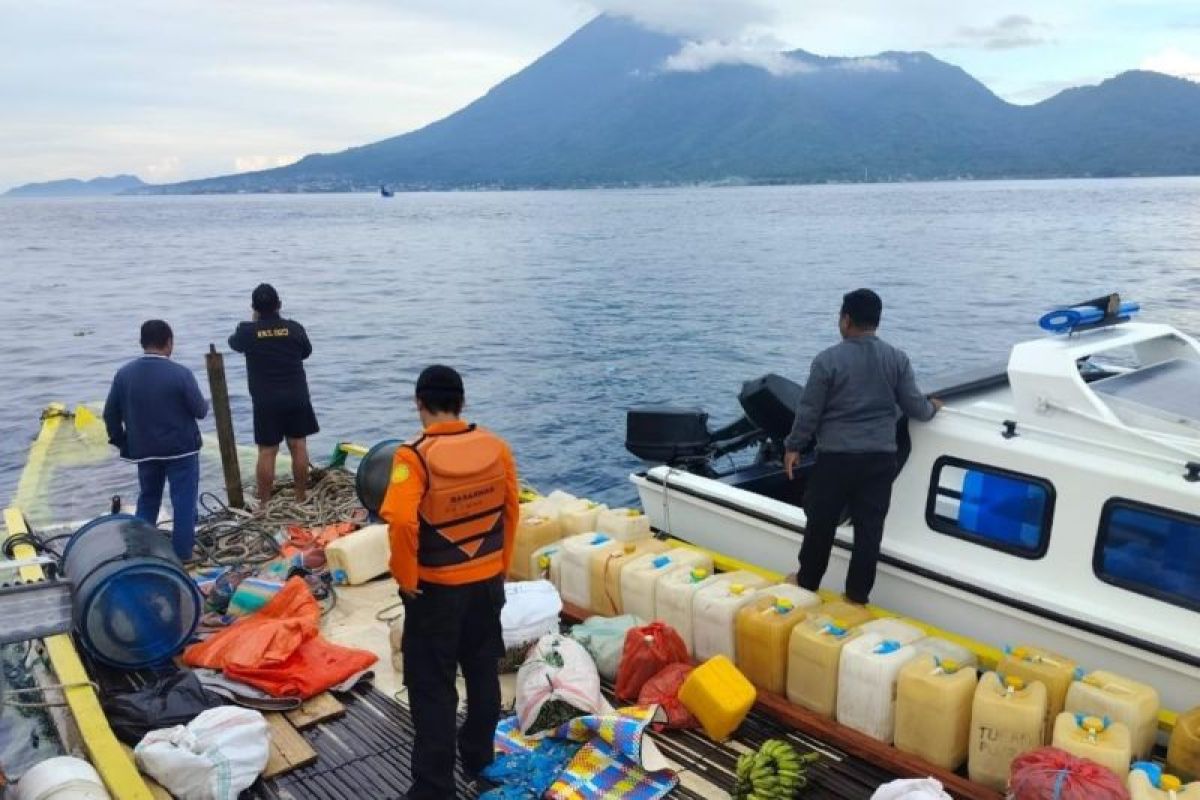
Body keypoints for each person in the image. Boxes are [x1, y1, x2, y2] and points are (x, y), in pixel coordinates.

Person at [379, 365, 519, 800]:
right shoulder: (497, 448)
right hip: (487, 583)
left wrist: (407, 577)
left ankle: (434, 788)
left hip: (436, 591)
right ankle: (478, 758)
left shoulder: (413, 456)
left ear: (419, 404)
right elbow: (512, 511)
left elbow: (402, 521)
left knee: (433, 689)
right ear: (462, 402)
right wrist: (499, 565)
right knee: (482, 674)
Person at [783, 288, 941, 605]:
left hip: (837, 460)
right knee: (869, 531)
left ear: (845, 320)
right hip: (880, 460)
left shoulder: (828, 361)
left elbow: (809, 411)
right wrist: (933, 407)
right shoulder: (897, 359)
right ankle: (856, 596)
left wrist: (793, 446)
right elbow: (915, 406)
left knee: (821, 524)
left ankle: (806, 583)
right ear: (877, 322)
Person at [103, 319, 209, 561]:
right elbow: (200, 411)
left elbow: (110, 414)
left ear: (142, 343)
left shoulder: (124, 374)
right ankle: (183, 553)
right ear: (169, 342)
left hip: (144, 450)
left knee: (148, 498)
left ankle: (140, 550)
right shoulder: (181, 373)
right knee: (183, 502)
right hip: (182, 450)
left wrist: (122, 442)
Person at [228, 283, 318, 504]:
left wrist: (256, 323)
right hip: (296, 396)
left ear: (254, 308)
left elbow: (233, 343)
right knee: (298, 445)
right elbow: (306, 351)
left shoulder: (247, 332)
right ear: (279, 304)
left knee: (267, 451)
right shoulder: (295, 328)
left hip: (266, 400)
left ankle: (265, 503)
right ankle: (300, 496)